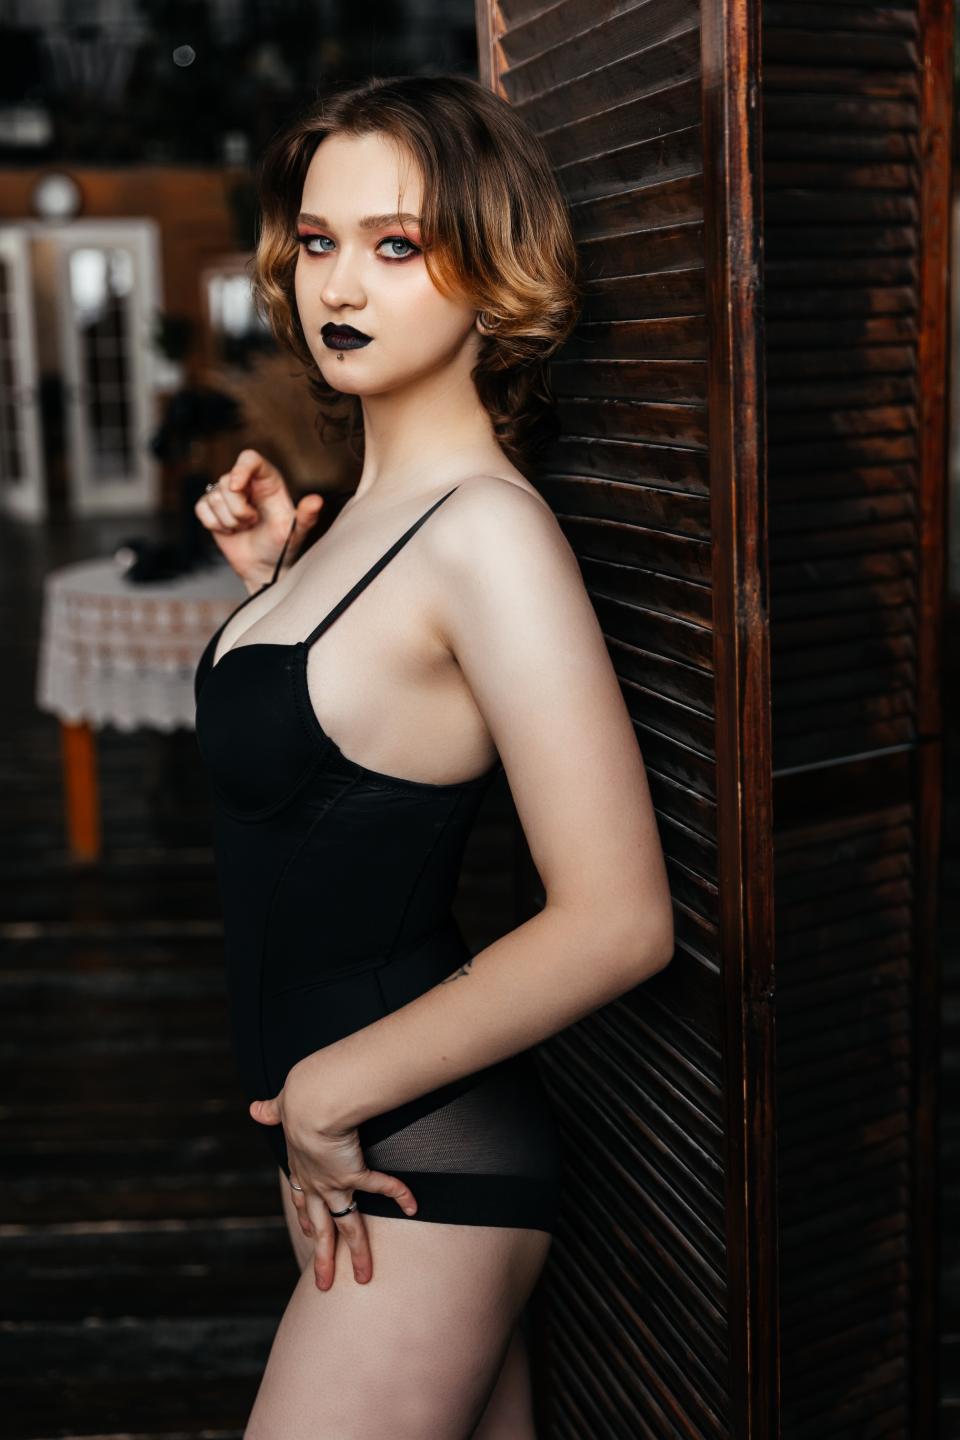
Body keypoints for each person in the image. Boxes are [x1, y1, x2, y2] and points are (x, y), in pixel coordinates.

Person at [192, 73, 674, 1440]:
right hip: (350, 1144)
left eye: (397, 245)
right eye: (320, 241)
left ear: (492, 272)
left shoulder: (486, 534)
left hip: (417, 1152)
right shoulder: (361, 515)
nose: (341, 284)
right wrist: (270, 592)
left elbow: (620, 920)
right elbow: (332, 791)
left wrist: (332, 1091)